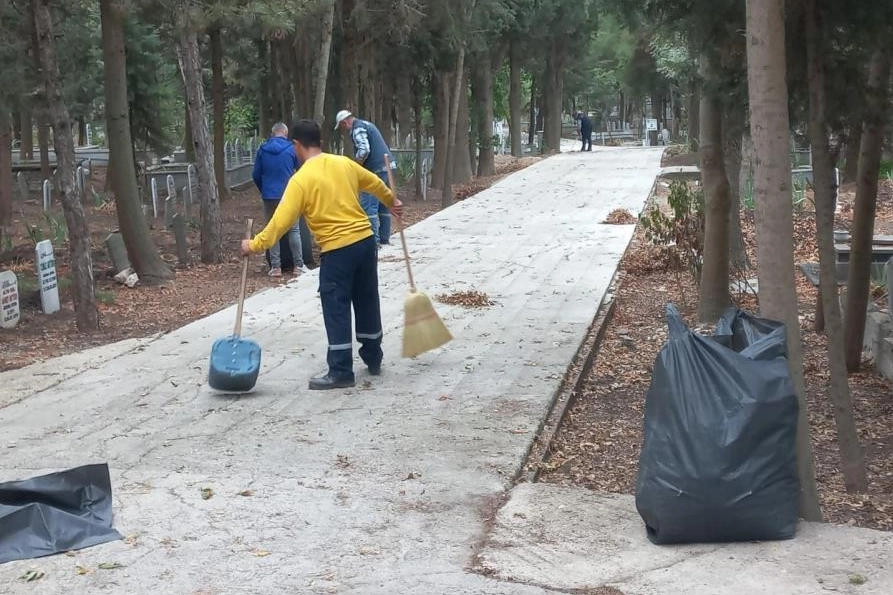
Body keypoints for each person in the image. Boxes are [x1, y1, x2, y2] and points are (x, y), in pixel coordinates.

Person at [241, 120, 403, 391]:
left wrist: (254, 245)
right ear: (320, 141)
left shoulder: (301, 180)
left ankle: (341, 371)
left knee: (336, 305)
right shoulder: (344, 163)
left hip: (338, 250)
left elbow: (279, 223)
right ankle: (373, 357)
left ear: (296, 145)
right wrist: (391, 201)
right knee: (367, 298)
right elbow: (374, 182)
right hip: (365, 242)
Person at [334, 110, 396, 247]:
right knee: (384, 203)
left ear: (344, 122)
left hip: (376, 169)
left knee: (369, 205)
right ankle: (384, 237)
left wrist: (355, 166)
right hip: (388, 166)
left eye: (342, 126)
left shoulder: (357, 128)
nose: (343, 130)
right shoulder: (367, 124)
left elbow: (364, 149)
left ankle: (374, 241)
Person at [252, 122, 307, 277]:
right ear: (285, 133)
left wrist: (264, 189)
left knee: (272, 229)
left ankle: (276, 267)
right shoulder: (291, 149)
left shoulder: (262, 150)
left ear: (273, 133)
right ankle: (298, 265)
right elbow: (300, 170)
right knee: (294, 229)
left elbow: (256, 174)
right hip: (289, 194)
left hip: (269, 196)